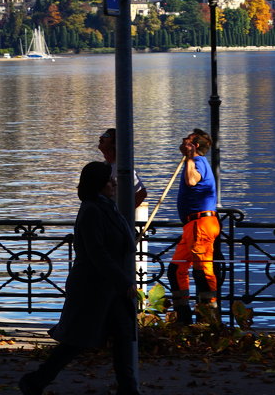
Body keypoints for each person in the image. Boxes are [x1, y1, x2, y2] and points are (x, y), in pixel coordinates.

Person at [19, 161, 140, 395]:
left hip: (111, 288)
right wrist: (124, 282)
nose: (114, 182)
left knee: (124, 336)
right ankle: (35, 381)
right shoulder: (92, 210)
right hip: (93, 288)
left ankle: (128, 390)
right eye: (108, 180)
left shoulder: (107, 206)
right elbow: (97, 253)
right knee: (76, 342)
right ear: (97, 184)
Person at [169, 129, 219, 326]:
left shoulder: (198, 162)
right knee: (176, 269)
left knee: (202, 270)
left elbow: (192, 181)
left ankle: (208, 321)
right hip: (192, 225)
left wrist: (189, 157)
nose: (182, 142)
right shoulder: (194, 162)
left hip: (201, 224)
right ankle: (183, 319)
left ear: (195, 145)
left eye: (187, 140)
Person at [98, 128, 148, 209]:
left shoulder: (121, 168)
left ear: (115, 143)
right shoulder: (105, 165)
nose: (101, 137)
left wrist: (123, 213)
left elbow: (141, 193)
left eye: (106, 136)